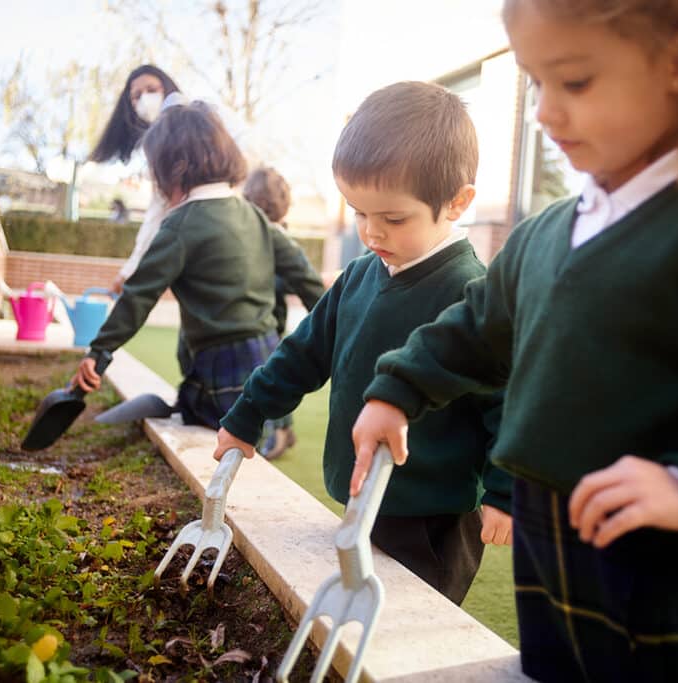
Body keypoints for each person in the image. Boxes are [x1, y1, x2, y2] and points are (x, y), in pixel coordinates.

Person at [349, 2, 678, 681]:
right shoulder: (542, 234)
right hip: (549, 549)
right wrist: (397, 389)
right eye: (537, 83)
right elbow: (472, 331)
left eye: (575, 82)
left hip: (673, 566)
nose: (543, 113)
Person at [214, 81, 514, 605]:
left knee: (411, 625)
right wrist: (247, 415)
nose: (371, 233)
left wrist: (507, 491)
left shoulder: (472, 295)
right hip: (364, 495)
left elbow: (507, 404)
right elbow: (300, 356)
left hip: (433, 515)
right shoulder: (358, 276)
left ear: (457, 202)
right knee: (358, 602)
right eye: (358, 212)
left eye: (393, 219)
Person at [73, 101, 326, 431]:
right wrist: (329, 336)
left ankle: (190, 411)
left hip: (219, 363)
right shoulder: (253, 215)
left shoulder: (180, 226)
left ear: (174, 167)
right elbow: (305, 276)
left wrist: (99, 353)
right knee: (244, 425)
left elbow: (138, 296)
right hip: (266, 360)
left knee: (209, 424)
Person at [89, 64, 184, 295]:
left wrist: (130, 270)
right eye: (136, 96)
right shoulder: (155, 148)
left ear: (168, 89)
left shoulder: (192, 124)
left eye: (152, 89)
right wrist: (129, 269)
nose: (145, 98)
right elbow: (158, 209)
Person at [242, 166, 298, 459]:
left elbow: (295, 278)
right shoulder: (255, 235)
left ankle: (279, 431)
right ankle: (284, 429)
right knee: (270, 374)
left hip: (271, 320)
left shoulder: (277, 238)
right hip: (265, 319)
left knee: (271, 375)